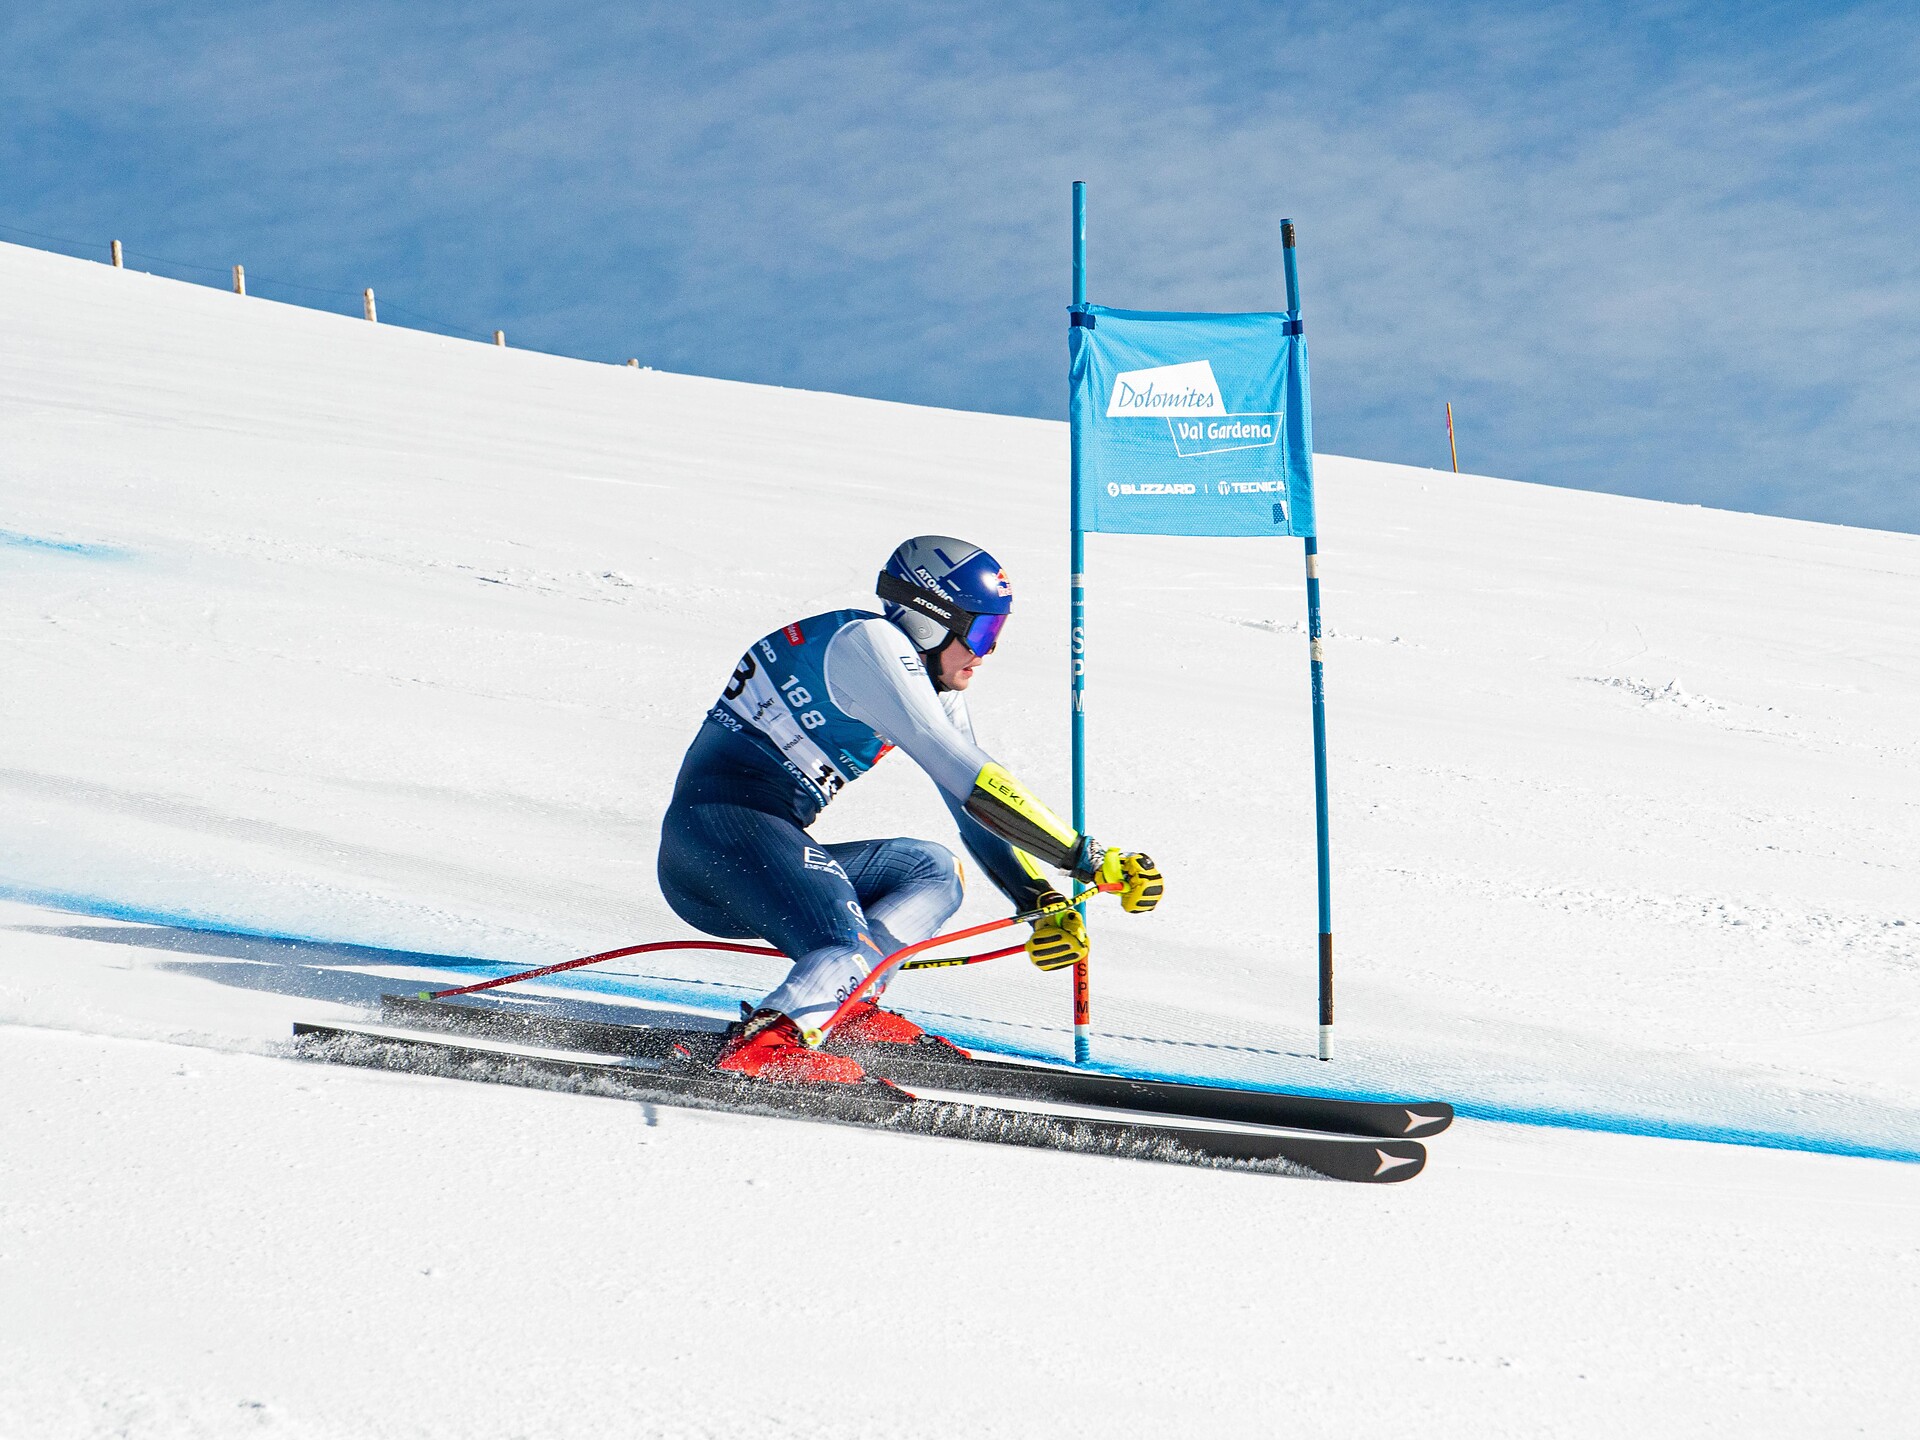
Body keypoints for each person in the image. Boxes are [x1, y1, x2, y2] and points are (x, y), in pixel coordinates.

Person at [657, 535, 1162, 1083]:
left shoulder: (928, 682)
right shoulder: (869, 645)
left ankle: (842, 1010)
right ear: (929, 619)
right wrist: (1085, 858)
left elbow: (967, 800)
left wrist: (1035, 898)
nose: (984, 653)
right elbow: (971, 780)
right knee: (840, 941)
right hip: (715, 836)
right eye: (981, 631)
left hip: (754, 850)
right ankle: (768, 1044)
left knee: (934, 871)